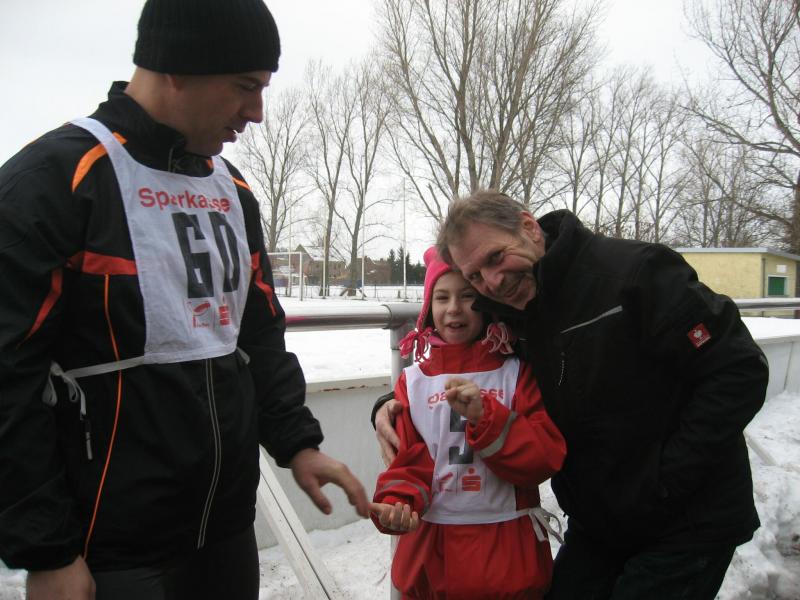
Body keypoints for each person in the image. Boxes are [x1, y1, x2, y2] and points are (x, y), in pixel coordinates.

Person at [0, 2, 368, 599]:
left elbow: (257, 333)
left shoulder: (231, 189)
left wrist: (297, 443)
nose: (257, 112)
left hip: (226, 533)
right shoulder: (55, 181)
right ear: (176, 67)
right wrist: (47, 550)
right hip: (110, 552)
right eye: (245, 86)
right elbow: (8, 380)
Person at [374, 190, 769, 599]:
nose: (491, 281)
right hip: (599, 522)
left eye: (495, 257)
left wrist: (666, 480)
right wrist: (392, 406)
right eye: (475, 276)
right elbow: (462, 359)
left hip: (687, 519)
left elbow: (737, 368)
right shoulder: (508, 306)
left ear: (529, 228)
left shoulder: (636, 273)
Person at [370, 246, 566, 599]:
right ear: (428, 309)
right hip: (432, 556)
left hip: (507, 553)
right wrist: (398, 503)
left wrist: (485, 418)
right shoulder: (412, 382)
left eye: (467, 296)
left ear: (487, 303)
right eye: (441, 297)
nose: (454, 308)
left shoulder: (516, 373)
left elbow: (542, 459)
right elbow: (408, 461)